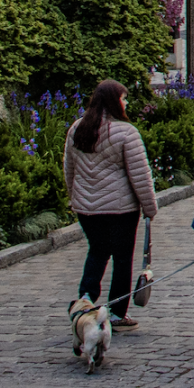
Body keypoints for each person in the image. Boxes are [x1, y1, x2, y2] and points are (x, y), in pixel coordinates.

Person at [64, 79, 157, 329]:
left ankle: (85, 299)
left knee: (97, 251)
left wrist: (76, 198)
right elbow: (140, 176)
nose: (126, 103)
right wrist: (150, 207)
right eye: (124, 98)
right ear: (115, 101)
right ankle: (116, 312)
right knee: (122, 258)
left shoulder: (76, 129)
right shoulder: (126, 132)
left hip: (87, 209)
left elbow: (69, 170)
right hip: (120, 209)